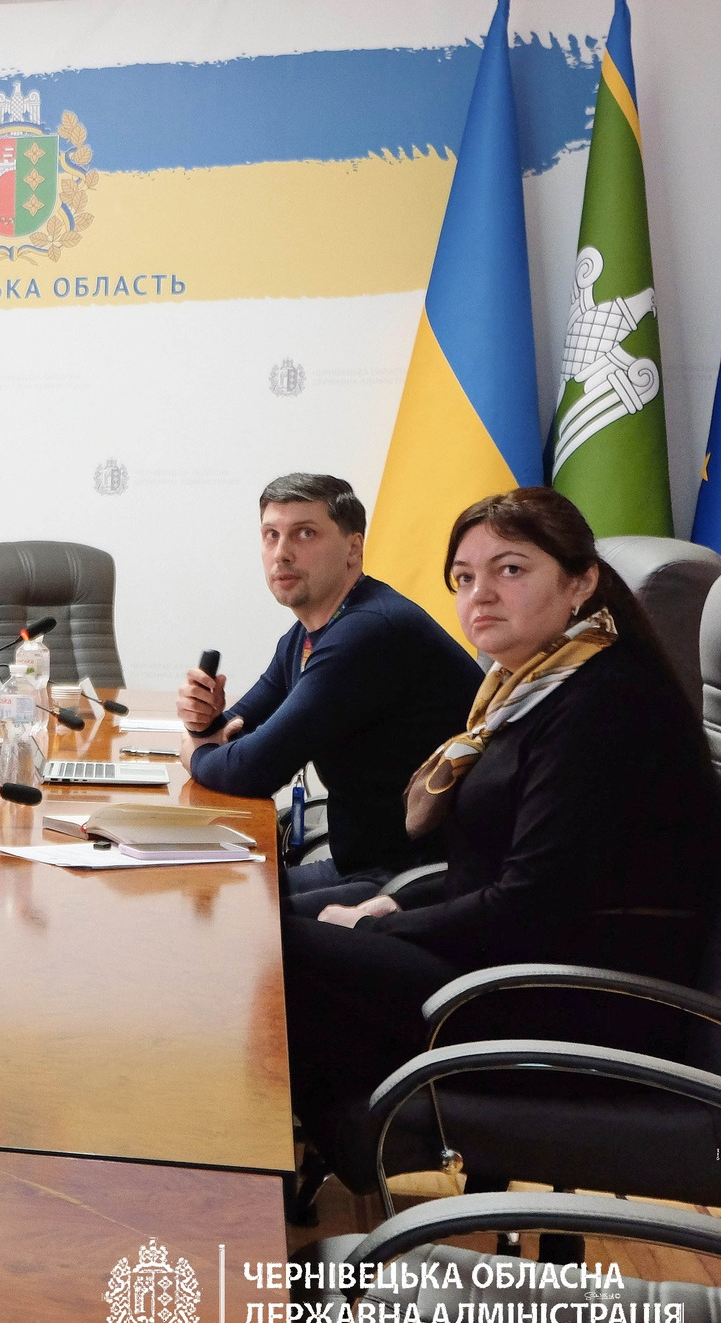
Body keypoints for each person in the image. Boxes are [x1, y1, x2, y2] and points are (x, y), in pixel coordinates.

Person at [282, 486, 721, 1180]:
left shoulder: (603, 705)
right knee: (265, 937)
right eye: (463, 578)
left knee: (269, 955)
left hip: (576, 1005)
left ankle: (255, 1185)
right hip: (513, 966)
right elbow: (500, 870)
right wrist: (395, 905)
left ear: (581, 583)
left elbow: (528, 903)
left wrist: (377, 927)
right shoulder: (532, 688)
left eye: (510, 569)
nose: (479, 594)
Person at [177, 474, 481, 912]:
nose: (282, 552)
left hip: (415, 883)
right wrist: (201, 721)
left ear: (354, 549)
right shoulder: (307, 634)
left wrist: (195, 750)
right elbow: (239, 727)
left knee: (231, 915)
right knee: (198, 889)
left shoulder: (367, 632)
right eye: (271, 535)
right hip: (360, 863)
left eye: (305, 533)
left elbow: (254, 769)